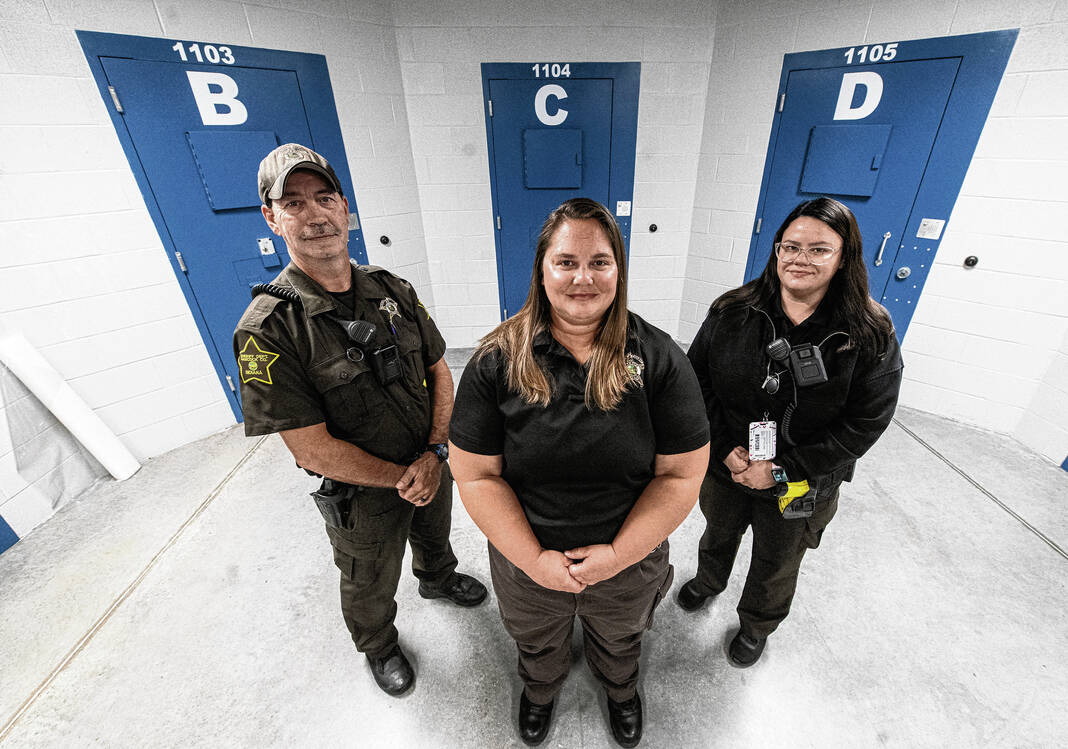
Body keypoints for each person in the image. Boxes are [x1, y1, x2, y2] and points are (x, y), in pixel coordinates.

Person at [449, 198, 709, 748]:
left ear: (619, 269)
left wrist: (617, 556)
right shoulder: (496, 359)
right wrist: (534, 560)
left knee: (621, 638)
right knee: (537, 640)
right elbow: (475, 477)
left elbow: (682, 476)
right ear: (542, 271)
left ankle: (620, 690)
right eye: (566, 262)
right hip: (526, 558)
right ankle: (540, 691)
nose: (583, 278)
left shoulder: (659, 358)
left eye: (600, 261)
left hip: (628, 558)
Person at [232, 143, 486, 697]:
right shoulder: (268, 329)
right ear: (271, 219)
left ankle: (437, 579)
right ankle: (379, 644)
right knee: (368, 577)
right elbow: (311, 450)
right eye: (293, 203)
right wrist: (401, 477)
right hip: (363, 493)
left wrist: (435, 451)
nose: (315, 214)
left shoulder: (392, 290)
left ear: (345, 207)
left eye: (324, 197)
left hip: (428, 460)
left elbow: (441, 369)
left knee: (433, 533)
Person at [678, 197, 904, 667]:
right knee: (718, 529)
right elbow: (695, 382)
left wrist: (782, 470)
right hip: (729, 465)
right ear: (776, 251)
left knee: (779, 557)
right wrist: (722, 449)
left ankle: (757, 624)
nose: (800, 258)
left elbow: (865, 423)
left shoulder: (868, 333)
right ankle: (709, 580)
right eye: (790, 246)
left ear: (845, 258)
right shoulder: (733, 311)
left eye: (819, 249)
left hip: (804, 477)